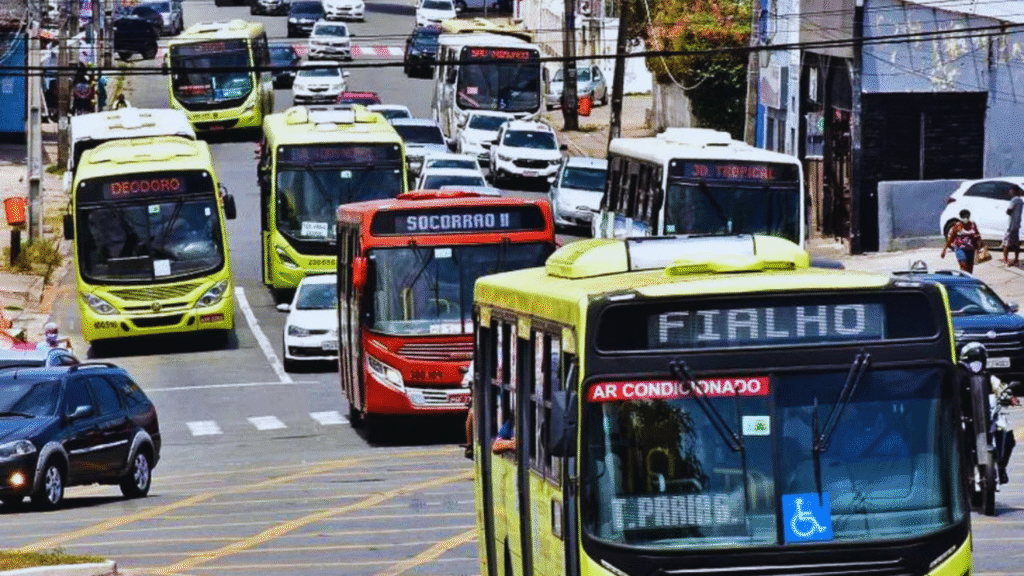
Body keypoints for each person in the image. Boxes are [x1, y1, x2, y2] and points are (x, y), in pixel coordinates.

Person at [941, 209, 983, 273]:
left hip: (971, 249)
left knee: (969, 270)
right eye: (964, 217)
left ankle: (965, 279)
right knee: (964, 268)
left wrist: (979, 247)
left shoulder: (972, 225)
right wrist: (944, 250)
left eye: (967, 217)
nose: (965, 218)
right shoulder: (958, 225)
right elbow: (951, 238)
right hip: (960, 249)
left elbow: (977, 236)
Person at [1003, 184, 1023, 267]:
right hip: (1017, 225)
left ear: (1014, 191)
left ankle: (1005, 259)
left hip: (1011, 226)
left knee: (1006, 243)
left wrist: (1007, 211)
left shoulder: (1014, 200)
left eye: (1010, 190)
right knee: (1016, 243)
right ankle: (1016, 259)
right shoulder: (1020, 200)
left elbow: (1009, 211)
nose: (1009, 192)